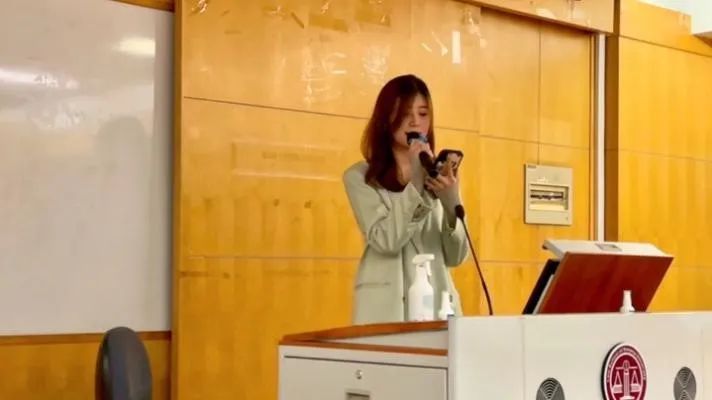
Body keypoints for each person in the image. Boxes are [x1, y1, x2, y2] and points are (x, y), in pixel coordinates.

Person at [343, 74, 468, 325]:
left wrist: (451, 206)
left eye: (423, 113)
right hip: (385, 308)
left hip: (437, 303)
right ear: (385, 118)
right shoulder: (360, 177)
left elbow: (456, 257)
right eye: (404, 113)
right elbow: (386, 240)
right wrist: (416, 185)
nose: (415, 122)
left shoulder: (439, 173)